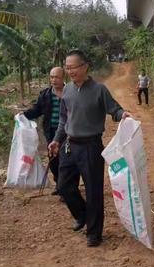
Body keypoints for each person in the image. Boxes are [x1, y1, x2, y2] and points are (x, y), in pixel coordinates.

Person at [48, 49, 131, 247]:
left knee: (93, 191)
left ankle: (94, 233)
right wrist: (57, 140)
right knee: (64, 187)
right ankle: (83, 215)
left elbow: (114, 109)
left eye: (73, 67)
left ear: (85, 66)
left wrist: (123, 115)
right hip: (70, 145)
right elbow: (63, 119)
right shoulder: (67, 90)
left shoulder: (99, 90)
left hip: (91, 147)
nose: (70, 71)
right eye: (67, 68)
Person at [24, 66, 64, 195]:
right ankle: (59, 184)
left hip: (68, 131)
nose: (53, 80)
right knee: (53, 159)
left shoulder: (71, 92)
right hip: (51, 131)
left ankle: (67, 188)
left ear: (63, 77)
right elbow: (37, 110)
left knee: (67, 159)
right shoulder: (45, 95)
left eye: (56, 77)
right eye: (51, 77)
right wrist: (23, 115)